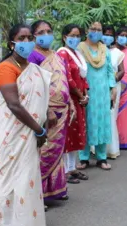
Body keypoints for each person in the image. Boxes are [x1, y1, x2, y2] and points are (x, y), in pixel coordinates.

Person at [0, 24, 49, 226]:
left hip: (31, 129)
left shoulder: (33, 68)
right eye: (21, 38)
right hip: (13, 131)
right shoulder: (5, 68)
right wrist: (39, 129)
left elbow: (39, 97)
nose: (27, 41)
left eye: (29, 37)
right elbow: (14, 105)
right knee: (11, 177)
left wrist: (44, 121)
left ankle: (27, 224)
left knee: (27, 177)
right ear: (12, 44)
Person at [28, 20, 72, 201]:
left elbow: (65, 81)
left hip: (63, 108)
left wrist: (71, 104)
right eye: (41, 32)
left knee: (58, 150)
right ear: (34, 36)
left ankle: (56, 189)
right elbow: (34, 87)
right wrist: (47, 110)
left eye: (48, 31)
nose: (46, 35)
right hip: (47, 110)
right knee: (45, 151)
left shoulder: (56, 55)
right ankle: (39, 194)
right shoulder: (33, 57)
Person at [77, 21, 117, 171]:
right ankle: (84, 158)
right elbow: (77, 70)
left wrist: (112, 88)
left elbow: (109, 70)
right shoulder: (80, 48)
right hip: (87, 91)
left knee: (102, 122)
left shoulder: (104, 49)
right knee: (86, 122)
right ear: (87, 30)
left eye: (99, 29)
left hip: (103, 92)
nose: (96, 31)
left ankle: (101, 157)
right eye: (93, 28)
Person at [56, 24, 90, 184]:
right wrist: (79, 94)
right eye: (72, 35)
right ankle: (65, 170)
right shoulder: (63, 53)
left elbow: (83, 77)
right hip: (68, 100)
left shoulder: (77, 53)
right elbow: (67, 78)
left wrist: (86, 94)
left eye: (78, 35)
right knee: (68, 134)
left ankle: (72, 167)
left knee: (76, 134)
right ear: (64, 37)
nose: (75, 38)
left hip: (79, 100)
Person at [102, 25, 125, 159]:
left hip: (114, 87)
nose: (108, 36)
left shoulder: (118, 53)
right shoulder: (96, 51)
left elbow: (122, 71)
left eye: (110, 34)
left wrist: (112, 79)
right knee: (100, 116)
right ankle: (98, 149)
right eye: (105, 33)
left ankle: (111, 149)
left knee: (111, 116)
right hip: (98, 87)